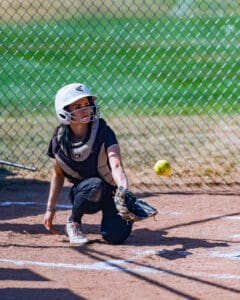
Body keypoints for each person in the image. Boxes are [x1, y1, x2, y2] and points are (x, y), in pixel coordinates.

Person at [43, 83, 132, 244]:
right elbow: (57, 173)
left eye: (86, 104)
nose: (84, 109)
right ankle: (73, 222)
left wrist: (123, 190)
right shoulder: (59, 140)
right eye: (77, 106)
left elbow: (116, 165)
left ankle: (117, 216)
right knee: (95, 185)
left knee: (116, 236)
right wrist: (50, 208)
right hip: (85, 194)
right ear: (64, 111)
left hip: (112, 193)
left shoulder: (103, 131)